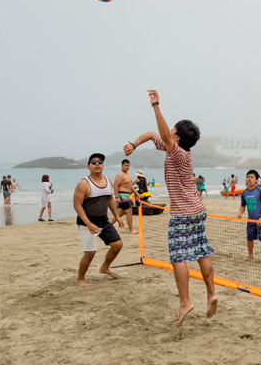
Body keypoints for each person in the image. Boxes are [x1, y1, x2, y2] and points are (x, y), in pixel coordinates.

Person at [123, 89, 217, 327]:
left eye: (173, 131)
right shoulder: (173, 148)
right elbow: (151, 134)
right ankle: (211, 293)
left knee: (179, 257)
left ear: (176, 138)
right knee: (201, 250)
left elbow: (163, 134)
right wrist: (134, 144)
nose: (169, 133)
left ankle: (185, 302)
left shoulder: (180, 155)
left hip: (183, 214)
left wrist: (156, 105)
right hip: (198, 210)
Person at [74, 153, 125, 287]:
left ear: (103, 165)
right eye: (94, 162)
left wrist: (117, 216)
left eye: (100, 162)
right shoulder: (84, 183)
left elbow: (110, 200)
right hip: (87, 223)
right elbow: (77, 205)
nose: (97, 164)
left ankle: (104, 268)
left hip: (104, 221)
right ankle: (80, 279)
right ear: (88, 166)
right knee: (90, 252)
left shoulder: (108, 181)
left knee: (117, 245)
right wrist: (88, 223)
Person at [238, 170, 261, 266]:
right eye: (248, 177)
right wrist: (240, 212)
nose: (249, 179)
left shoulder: (260, 191)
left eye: (252, 177)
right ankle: (250, 255)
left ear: (256, 180)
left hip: (260, 220)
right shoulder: (244, 193)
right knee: (249, 238)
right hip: (250, 220)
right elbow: (243, 205)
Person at [111, 159, 141, 234]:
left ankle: (108, 226)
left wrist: (136, 193)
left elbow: (130, 185)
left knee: (120, 213)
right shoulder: (120, 174)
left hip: (127, 195)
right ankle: (131, 230)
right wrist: (117, 197)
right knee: (129, 211)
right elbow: (115, 185)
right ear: (122, 166)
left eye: (128, 166)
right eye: (125, 165)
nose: (127, 167)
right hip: (121, 195)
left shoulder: (129, 174)